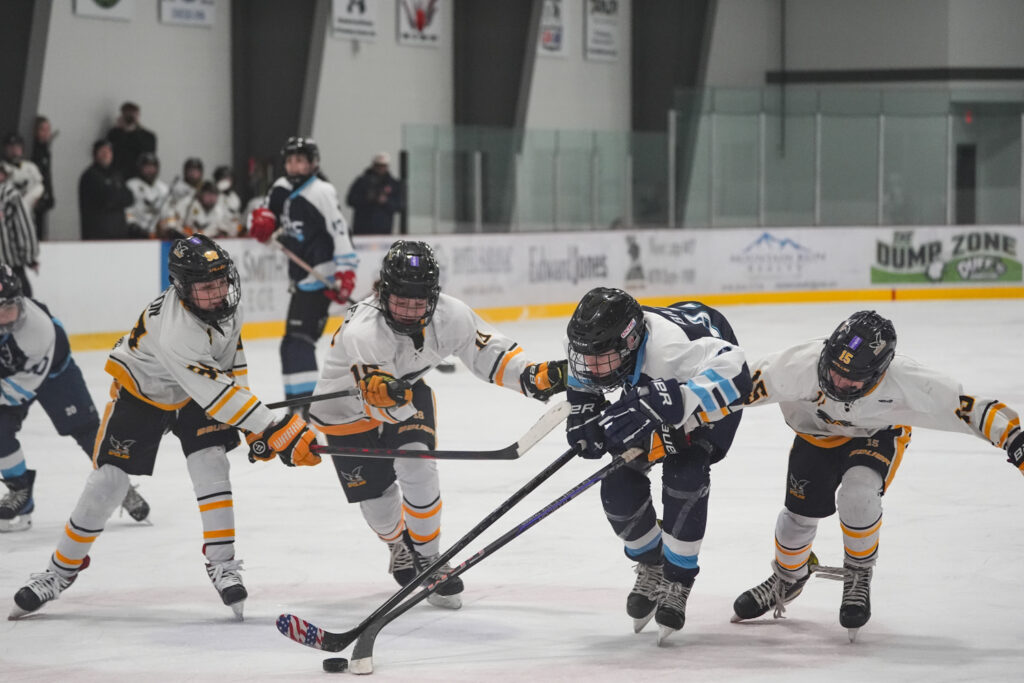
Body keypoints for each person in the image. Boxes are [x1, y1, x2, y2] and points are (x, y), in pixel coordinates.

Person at [9, 235, 321, 620]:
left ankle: (222, 564)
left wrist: (254, 426)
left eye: (221, 281)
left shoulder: (227, 306)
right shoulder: (176, 329)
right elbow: (215, 394)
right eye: (206, 287)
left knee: (211, 462)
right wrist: (273, 424)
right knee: (108, 482)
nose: (218, 293)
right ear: (183, 288)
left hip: (197, 389)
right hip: (144, 390)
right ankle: (59, 572)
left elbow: (229, 362)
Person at [726, 310, 1024, 640]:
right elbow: (729, 388)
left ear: (880, 373)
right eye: (834, 370)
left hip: (877, 435)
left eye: (852, 378)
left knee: (858, 495)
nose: (838, 382)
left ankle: (858, 572)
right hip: (815, 438)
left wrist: (1014, 438)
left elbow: (968, 408)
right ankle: (789, 576)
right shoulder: (796, 366)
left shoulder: (908, 381)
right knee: (796, 519)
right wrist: (688, 413)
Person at [309, 240, 567, 609]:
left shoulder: (451, 315)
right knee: (380, 507)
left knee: (419, 466)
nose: (410, 312)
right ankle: (397, 544)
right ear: (383, 292)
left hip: (404, 393)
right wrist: (382, 393)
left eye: (419, 302)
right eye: (401, 301)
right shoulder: (363, 331)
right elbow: (376, 401)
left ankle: (430, 559)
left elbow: (489, 354)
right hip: (345, 413)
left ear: (433, 296)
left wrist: (532, 376)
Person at [563, 288, 751, 644]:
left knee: (686, 472)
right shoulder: (592, 342)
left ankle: (678, 580)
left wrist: (680, 399)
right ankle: (653, 562)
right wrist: (582, 407)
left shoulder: (672, 351)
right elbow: (581, 370)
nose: (592, 367)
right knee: (617, 483)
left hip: (703, 386)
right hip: (653, 381)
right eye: (588, 358)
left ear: (631, 342)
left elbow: (740, 374)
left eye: (601, 359)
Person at [0, 265, 150, 532]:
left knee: (87, 431)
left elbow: (20, 388)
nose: (5, 314)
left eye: (9, 306)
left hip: (56, 375)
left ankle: (119, 487)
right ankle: (20, 492)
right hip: (13, 374)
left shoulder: (37, 329)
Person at [248, 137, 358, 409]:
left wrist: (346, 272)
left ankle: (306, 407)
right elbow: (265, 216)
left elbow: (340, 232)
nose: (293, 166)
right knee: (291, 344)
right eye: (289, 160)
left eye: (299, 160)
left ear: (312, 163)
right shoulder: (280, 188)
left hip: (322, 277)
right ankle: (298, 403)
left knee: (298, 342)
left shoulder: (321, 191)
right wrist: (261, 224)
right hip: (300, 278)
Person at [78, 139, 136, 240]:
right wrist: (117, 195)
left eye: (109, 151)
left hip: (119, 233)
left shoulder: (116, 175)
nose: (106, 154)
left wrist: (115, 196)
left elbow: (129, 198)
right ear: (95, 154)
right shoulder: (90, 176)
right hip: (97, 235)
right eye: (102, 151)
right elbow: (105, 199)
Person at [0, 163, 39, 295]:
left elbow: (22, 227)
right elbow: (23, 228)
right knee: (21, 298)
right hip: (10, 265)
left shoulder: (9, 194)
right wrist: (29, 256)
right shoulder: (10, 194)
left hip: (10, 263)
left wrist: (29, 256)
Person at [345, 152, 402, 236]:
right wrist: (367, 199)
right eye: (378, 166)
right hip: (362, 229)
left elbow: (400, 205)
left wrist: (386, 201)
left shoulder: (393, 184)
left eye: (383, 166)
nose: (380, 168)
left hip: (384, 230)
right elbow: (350, 200)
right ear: (373, 165)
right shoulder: (362, 182)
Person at [106, 102, 157, 181]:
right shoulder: (114, 133)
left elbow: (149, 155)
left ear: (138, 115)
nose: (130, 118)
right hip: (117, 175)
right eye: (127, 115)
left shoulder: (148, 136)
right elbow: (110, 152)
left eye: (133, 115)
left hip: (138, 176)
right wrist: (123, 131)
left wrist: (134, 131)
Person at [125, 152, 170, 237]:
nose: (150, 170)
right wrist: (132, 225)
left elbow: (166, 213)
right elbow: (127, 210)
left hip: (157, 234)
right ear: (140, 168)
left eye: (152, 167)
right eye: (147, 167)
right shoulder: (131, 185)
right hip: (136, 233)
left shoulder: (163, 188)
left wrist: (165, 226)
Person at [2, 132, 45, 211]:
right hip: (8, 208)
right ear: (5, 148)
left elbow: (40, 190)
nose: (14, 149)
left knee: (40, 187)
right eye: (11, 146)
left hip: (28, 208)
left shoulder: (31, 167)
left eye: (17, 146)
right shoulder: (2, 167)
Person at [31, 116, 56, 241]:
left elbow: (47, 176)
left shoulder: (46, 151)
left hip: (43, 198)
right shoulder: (32, 151)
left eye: (48, 129)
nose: (46, 133)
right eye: (42, 129)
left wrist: (50, 195)